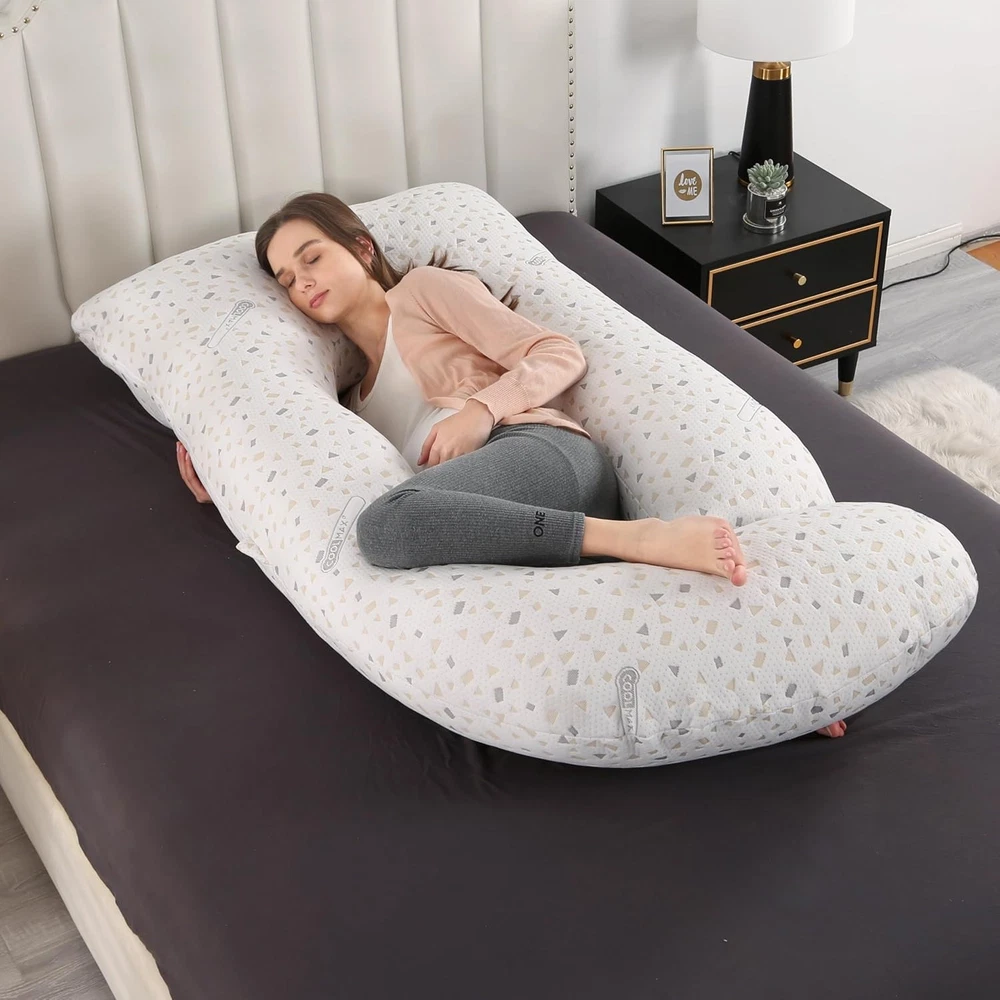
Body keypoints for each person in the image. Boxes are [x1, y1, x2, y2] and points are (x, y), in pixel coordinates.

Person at [174, 191, 848, 738]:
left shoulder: (424, 292)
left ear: (362, 247)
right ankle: (795, 695)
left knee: (384, 526)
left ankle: (636, 539)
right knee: (622, 635)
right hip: (515, 525)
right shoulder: (348, 402)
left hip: (546, 456)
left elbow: (557, 353)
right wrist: (227, 480)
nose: (303, 282)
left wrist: (481, 410)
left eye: (312, 257)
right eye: (287, 280)